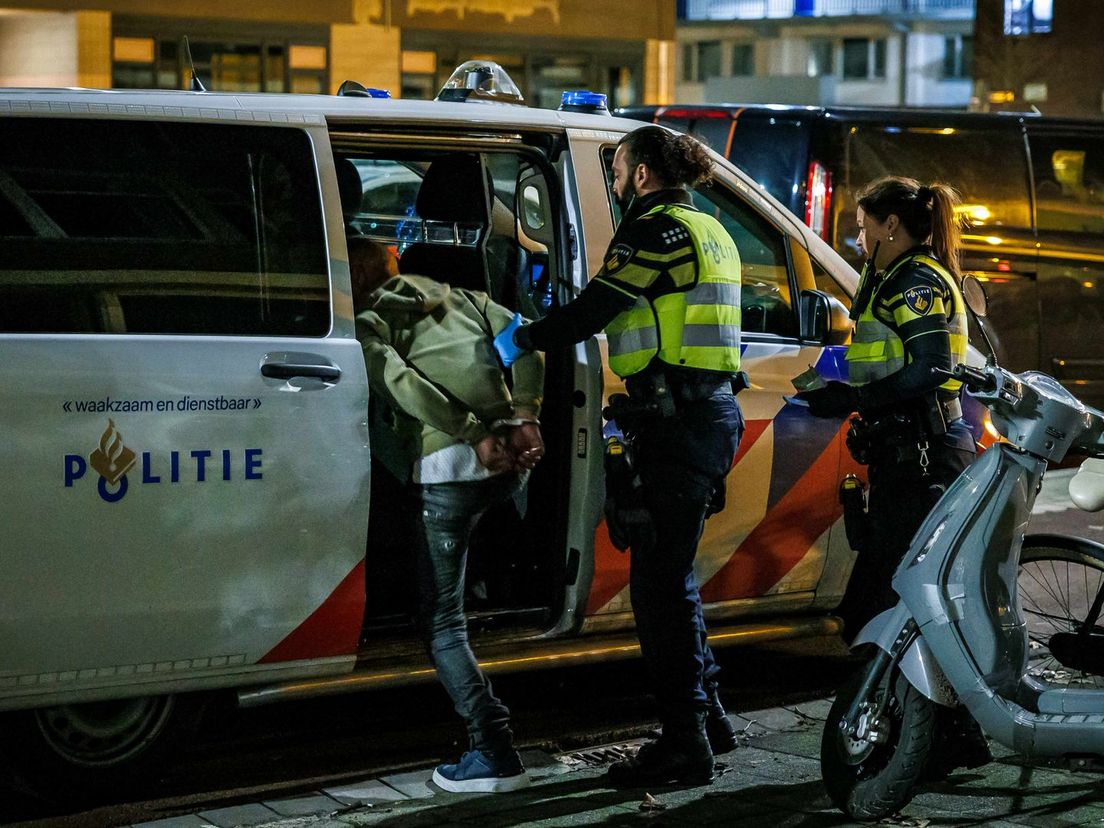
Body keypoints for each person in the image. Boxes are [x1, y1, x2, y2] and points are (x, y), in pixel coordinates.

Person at [497, 125, 744, 787]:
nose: (613, 181)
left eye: (619, 170)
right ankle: (709, 718)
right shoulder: (708, 228)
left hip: (676, 422)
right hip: (703, 414)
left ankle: (686, 744)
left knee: (659, 592)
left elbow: (591, 312)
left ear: (639, 175)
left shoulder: (653, 232)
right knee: (673, 578)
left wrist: (518, 338)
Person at [794, 177, 989, 772]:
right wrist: (836, 387)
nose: (855, 237)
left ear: (891, 227)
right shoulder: (891, 276)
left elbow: (930, 367)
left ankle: (925, 736)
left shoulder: (919, 281)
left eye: (861, 225)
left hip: (925, 454)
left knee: (886, 605)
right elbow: (882, 357)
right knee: (899, 605)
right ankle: (945, 738)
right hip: (904, 453)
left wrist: (857, 400)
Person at [351, 236, 545, 794]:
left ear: (360, 278)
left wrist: (472, 432)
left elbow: (399, 383)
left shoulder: (369, 322)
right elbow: (528, 346)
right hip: (510, 463)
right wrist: (525, 415)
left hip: (453, 466)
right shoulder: (472, 300)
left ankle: (493, 750)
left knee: (442, 623)